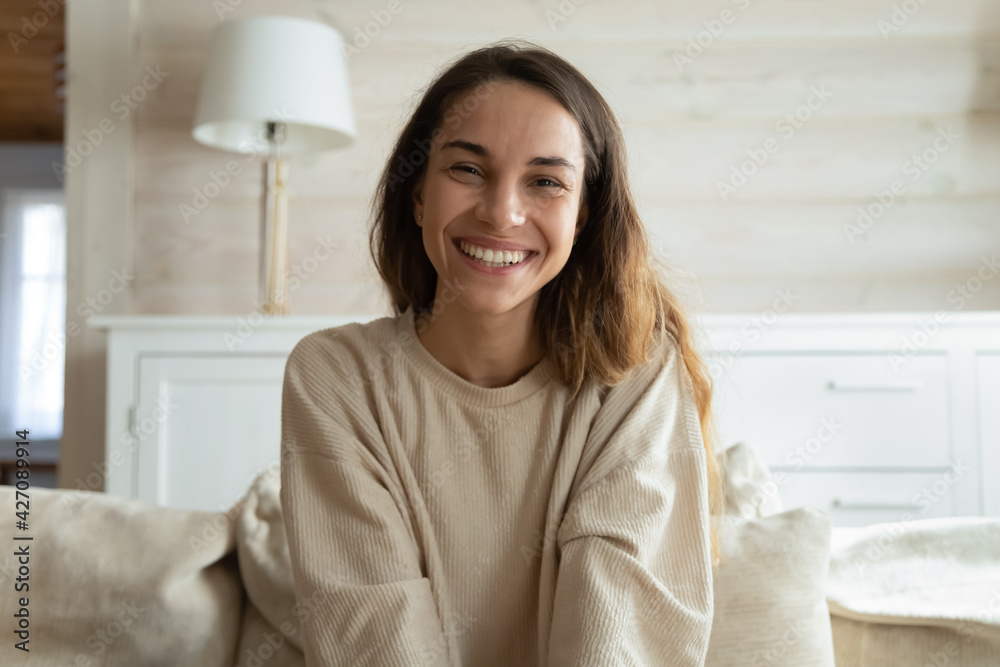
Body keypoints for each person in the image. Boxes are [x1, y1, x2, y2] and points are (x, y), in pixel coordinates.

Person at [279, 38, 725, 667]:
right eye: (467, 169)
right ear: (417, 193)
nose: (502, 212)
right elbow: (377, 641)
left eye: (545, 181)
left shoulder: (635, 376)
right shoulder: (336, 378)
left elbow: (613, 641)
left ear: (582, 215)